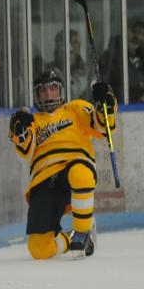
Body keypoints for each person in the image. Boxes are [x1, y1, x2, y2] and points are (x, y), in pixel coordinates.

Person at [8, 70, 117, 259]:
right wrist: (18, 130)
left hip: (74, 163)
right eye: (43, 90)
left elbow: (102, 126)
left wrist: (106, 104)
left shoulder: (74, 109)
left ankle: (82, 230)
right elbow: (24, 150)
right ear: (36, 95)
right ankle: (71, 240)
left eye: (53, 88)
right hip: (45, 180)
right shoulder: (32, 121)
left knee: (80, 174)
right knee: (38, 249)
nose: (49, 94)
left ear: (61, 91)